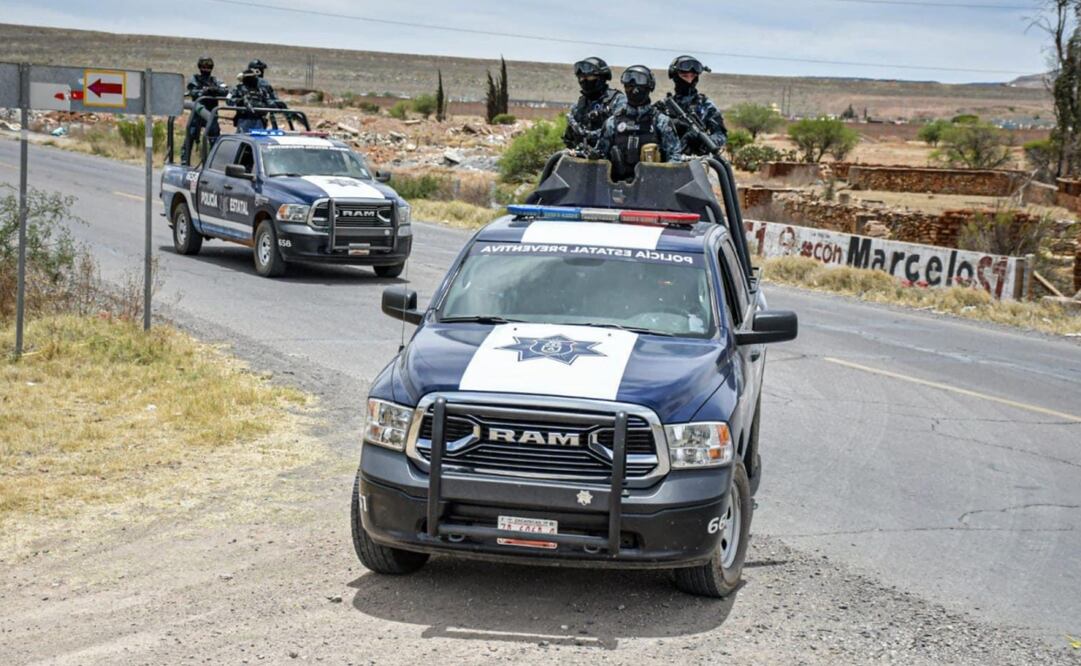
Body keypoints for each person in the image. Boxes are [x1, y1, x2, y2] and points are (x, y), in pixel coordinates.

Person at [594, 65, 682, 181]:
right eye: (629, 83)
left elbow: (675, 159)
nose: (633, 88)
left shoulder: (661, 122)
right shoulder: (612, 123)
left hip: (654, 190)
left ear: (649, 87)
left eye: (639, 82)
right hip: (617, 191)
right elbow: (600, 159)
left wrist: (663, 181)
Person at [662, 55, 728, 157]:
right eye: (684, 76)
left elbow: (721, 136)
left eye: (692, 76)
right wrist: (672, 126)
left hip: (700, 161)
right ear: (675, 76)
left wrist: (703, 141)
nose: (689, 80)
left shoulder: (706, 105)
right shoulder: (664, 106)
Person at [562, 57, 625, 151]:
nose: (584, 80)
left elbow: (622, 132)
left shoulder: (617, 100)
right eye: (581, 77)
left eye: (589, 76)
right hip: (582, 160)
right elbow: (569, 139)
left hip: (610, 160)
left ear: (602, 77)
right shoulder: (580, 105)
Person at [180, 56, 225, 165]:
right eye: (204, 66)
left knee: (214, 139)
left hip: (211, 113)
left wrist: (215, 90)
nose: (206, 68)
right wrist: (204, 92)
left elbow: (225, 91)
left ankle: (212, 164)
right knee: (190, 137)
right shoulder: (194, 79)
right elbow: (193, 91)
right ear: (200, 67)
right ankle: (185, 161)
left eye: (208, 66)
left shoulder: (215, 80)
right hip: (198, 113)